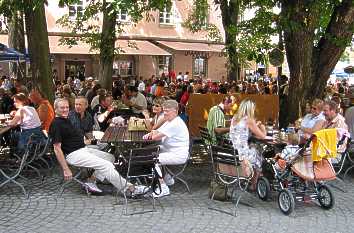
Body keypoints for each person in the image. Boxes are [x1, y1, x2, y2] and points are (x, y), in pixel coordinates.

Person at [49, 98, 147, 195]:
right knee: (106, 165)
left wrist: (90, 141)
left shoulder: (65, 119)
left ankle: (91, 181)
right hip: (73, 154)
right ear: (55, 109)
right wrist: (66, 170)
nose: (65, 109)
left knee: (110, 158)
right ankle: (130, 189)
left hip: (83, 149)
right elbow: (57, 148)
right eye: (62, 107)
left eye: (67, 107)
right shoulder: (56, 124)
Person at [143, 100, 190, 198]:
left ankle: (163, 188)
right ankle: (168, 178)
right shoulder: (170, 121)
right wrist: (152, 133)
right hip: (169, 150)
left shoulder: (175, 123)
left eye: (167, 111)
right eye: (164, 110)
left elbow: (155, 137)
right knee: (149, 152)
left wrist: (150, 135)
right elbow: (155, 131)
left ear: (175, 111)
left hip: (177, 154)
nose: (165, 113)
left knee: (153, 159)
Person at [229, 99, 267, 190]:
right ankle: (253, 184)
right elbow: (262, 136)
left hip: (233, 151)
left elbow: (240, 132)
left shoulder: (234, 118)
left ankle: (252, 180)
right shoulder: (249, 120)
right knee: (259, 154)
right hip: (243, 154)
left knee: (254, 149)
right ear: (250, 109)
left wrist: (254, 125)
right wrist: (263, 127)